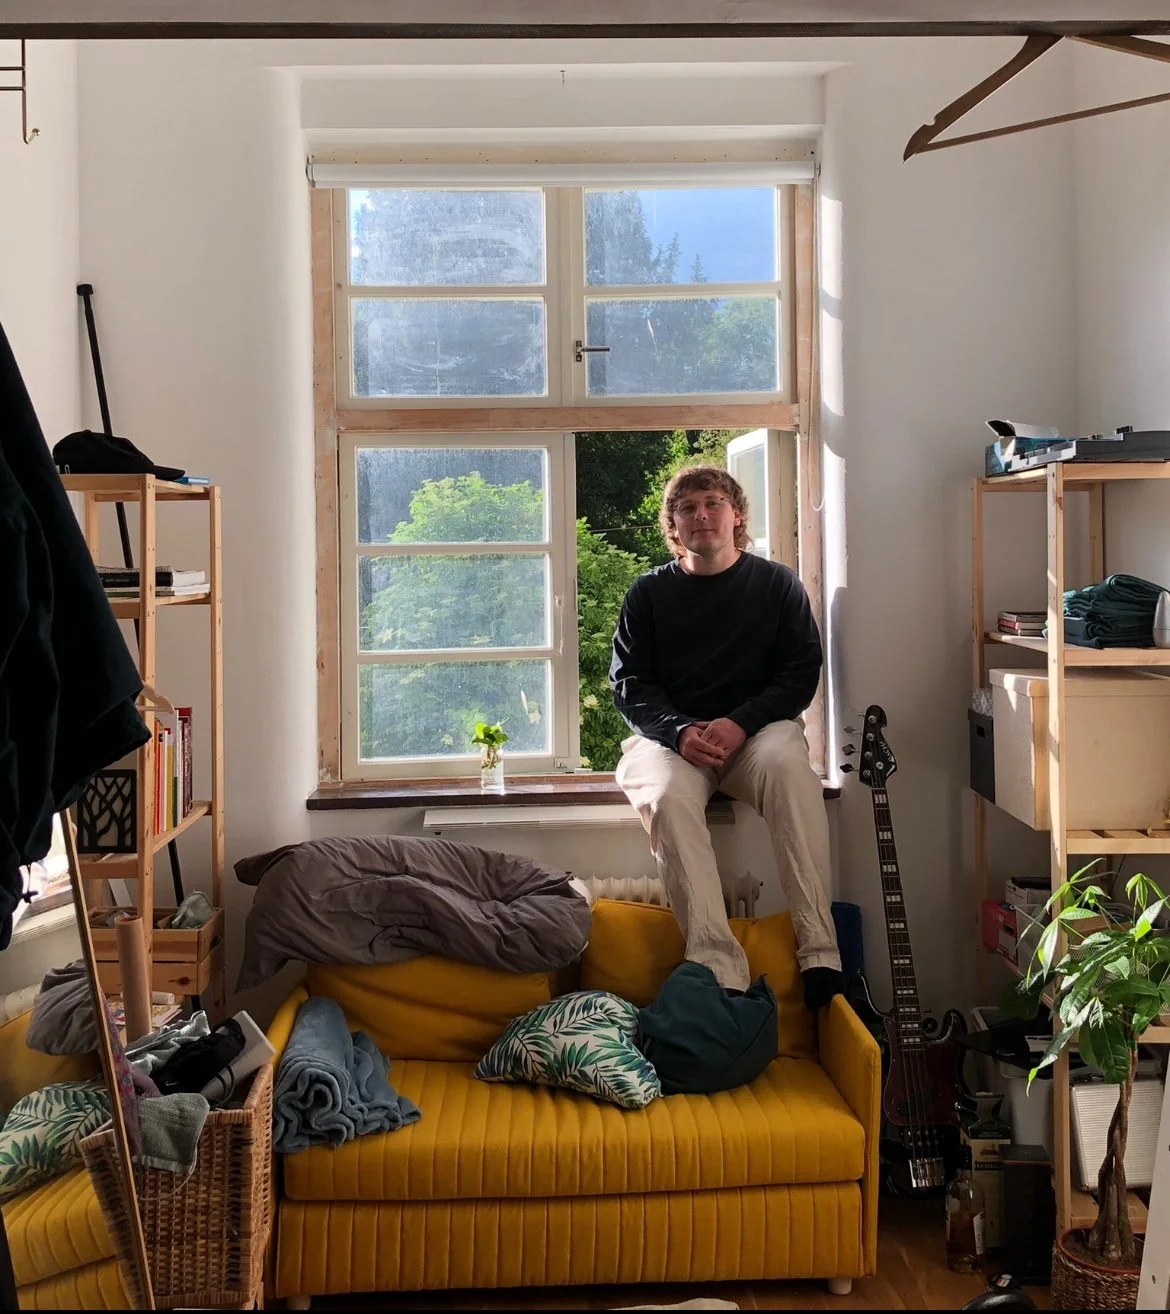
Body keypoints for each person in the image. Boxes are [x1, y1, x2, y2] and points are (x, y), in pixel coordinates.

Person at [609, 465, 842, 1011]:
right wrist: (678, 731)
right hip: (674, 742)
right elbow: (629, 685)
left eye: (713, 502)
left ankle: (820, 955)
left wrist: (740, 721)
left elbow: (799, 675)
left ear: (736, 515)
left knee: (790, 769)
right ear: (673, 525)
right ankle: (717, 966)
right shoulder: (648, 593)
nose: (702, 515)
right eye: (687, 508)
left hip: (756, 736)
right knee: (665, 796)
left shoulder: (777, 585)